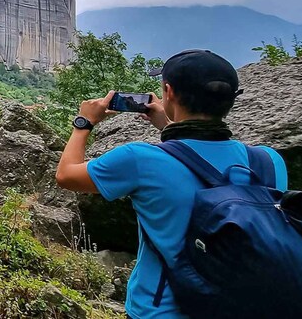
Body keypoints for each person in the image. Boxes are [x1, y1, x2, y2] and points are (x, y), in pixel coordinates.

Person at [54, 49, 288, 319]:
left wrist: (84, 122)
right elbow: (199, 158)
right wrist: (168, 125)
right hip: (246, 308)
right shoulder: (269, 162)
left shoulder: (139, 160)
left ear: (169, 92)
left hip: (162, 311)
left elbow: (66, 175)